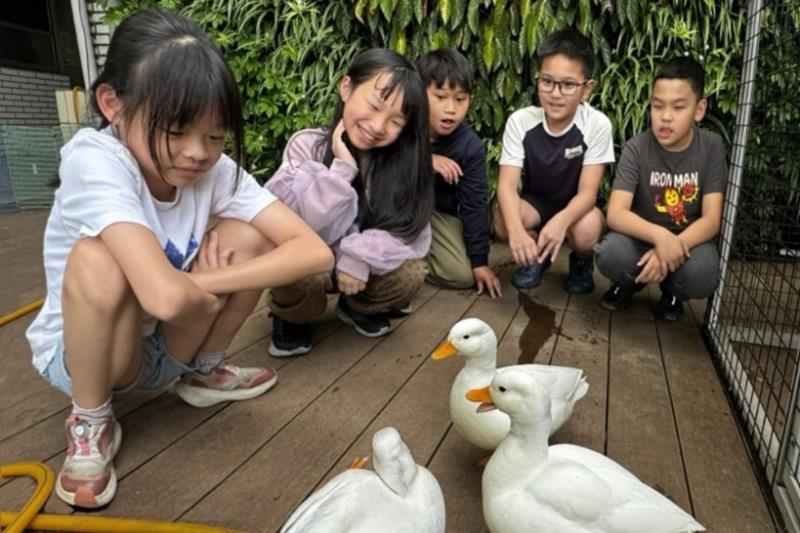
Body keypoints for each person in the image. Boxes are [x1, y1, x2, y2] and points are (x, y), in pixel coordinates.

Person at [25, 10, 334, 509]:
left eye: (215, 136)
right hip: (94, 358)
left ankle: (203, 372)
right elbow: (165, 299)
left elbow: (313, 251)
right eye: (175, 130)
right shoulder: (95, 159)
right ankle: (91, 420)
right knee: (98, 258)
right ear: (113, 105)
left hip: (169, 345)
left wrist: (210, 281)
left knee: (249, 236)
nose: (197, 153)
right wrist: (199, 291)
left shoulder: (215, 169)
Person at [265, 48, 433, 356]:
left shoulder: (404, 164)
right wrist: (341, 171)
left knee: (411, 273)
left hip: (360, 269)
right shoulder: (307, 146)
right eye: (374, 105)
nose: (379, 126)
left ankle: (357, 306)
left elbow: (410, 230)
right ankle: (291, 316)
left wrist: (359, 257)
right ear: (346, 88)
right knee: (299, 267)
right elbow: (291, 223)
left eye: (396, 121)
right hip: (310, 259)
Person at [594, 56, 727, 320]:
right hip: (640, 240)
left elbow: (712, 219)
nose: (665, 117)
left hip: (688, 243)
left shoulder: (711, 147)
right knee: (610, 254)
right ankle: (629, 283)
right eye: (657, 106)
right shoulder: (636, 147)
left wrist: (673, 246)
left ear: (699, 109)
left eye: (678, 107)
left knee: (703, 272)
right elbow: (616, 213)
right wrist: (660, 238)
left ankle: (672, 291)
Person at [494, 30, 614, 293]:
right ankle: (535, 253)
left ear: (586, 89)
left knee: (587, 232)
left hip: (577, 208)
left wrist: (560, 222)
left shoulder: (597, 124)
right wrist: (516, 233)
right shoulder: (520, 121)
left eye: (568, 85)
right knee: (503, 219)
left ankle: (581, 262)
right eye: (547, 81)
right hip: (536, 203)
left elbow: (588, 193)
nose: (555, 93)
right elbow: (506, 186)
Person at [416, 48, 504, 298]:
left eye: (460, 99)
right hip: (395, 205)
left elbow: (474, 203)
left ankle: (411, 259)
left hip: (436, 215)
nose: (451, 109)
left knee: (462, 275)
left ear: (470, 100)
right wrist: (424, 160)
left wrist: (480, 262)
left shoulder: (470, 146)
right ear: (419, 95)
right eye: (440, 97)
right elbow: (380, 164)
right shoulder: (399, 123)